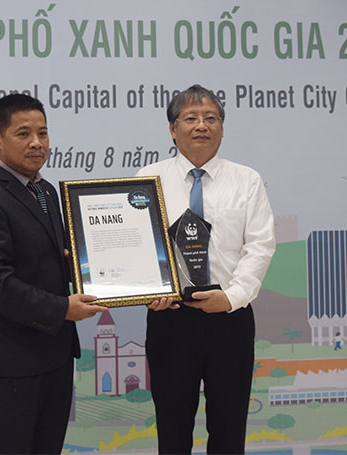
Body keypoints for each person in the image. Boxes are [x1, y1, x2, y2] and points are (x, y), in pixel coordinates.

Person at [0, 93, 108, 454]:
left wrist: (110, 275)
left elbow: (57, 261)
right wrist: (61, 309)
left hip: (55, 356)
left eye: (43, 132)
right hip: (13, 363)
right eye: (23, 133)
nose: (37, 143)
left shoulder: (46, 192)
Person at [137, 84, 276, 454]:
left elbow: (260, 245)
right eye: (191, 118)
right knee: (173, 431)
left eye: (211, 118)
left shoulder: (247, 180)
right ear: (172, 128)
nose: (202, 125)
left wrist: (231, 298)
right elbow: (136, 247)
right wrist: (148, 289)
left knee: (229, 431)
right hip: (170, 319)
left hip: (230, 319)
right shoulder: (147, 179)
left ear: (222, 128)